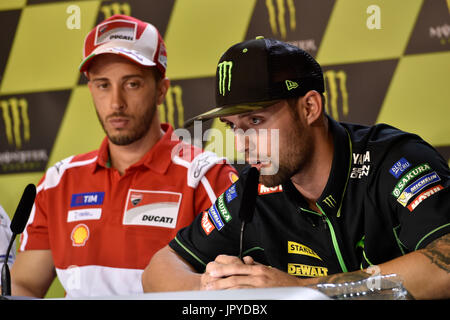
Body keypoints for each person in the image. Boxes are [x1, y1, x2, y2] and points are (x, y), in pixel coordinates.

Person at [142, 37, 450, 299]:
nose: (242, 144)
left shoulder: (395, 161)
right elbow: (159, 269)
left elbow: (445, 264)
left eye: (256, 121)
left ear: (309, 108)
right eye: (233, 127)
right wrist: (217, 286)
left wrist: (302, 290)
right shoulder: (253, 190)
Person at [11, 15, 237, 298]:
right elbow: (24, 285)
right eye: (103, 85)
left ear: (161, 91)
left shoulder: (206, 176)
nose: (116, 102)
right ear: (91, 89)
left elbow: (234, 289)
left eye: (132, 84)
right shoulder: (58, 182)